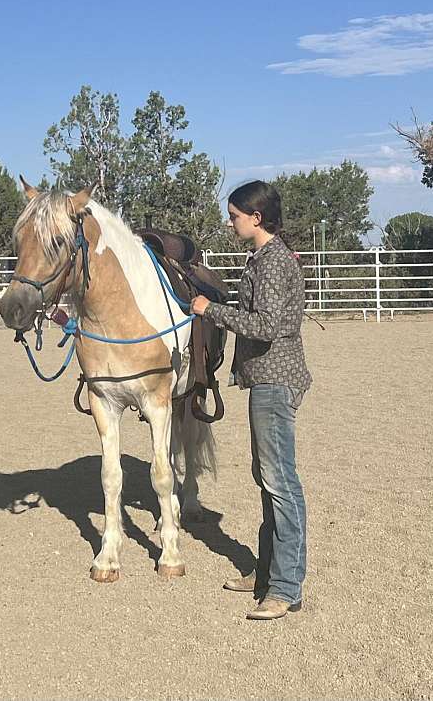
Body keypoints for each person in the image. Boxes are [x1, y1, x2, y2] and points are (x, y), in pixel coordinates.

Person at [190, 180, 312, 621]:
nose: (231, 221)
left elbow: (268, 326)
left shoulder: (275, 261)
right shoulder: (263, 258)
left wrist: (211, 311)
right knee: (268, 479)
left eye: (235, 215)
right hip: (265, 380)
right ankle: (267, 573)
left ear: (256, 218)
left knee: (280, 483)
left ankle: (284, 587)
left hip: (275, 382)